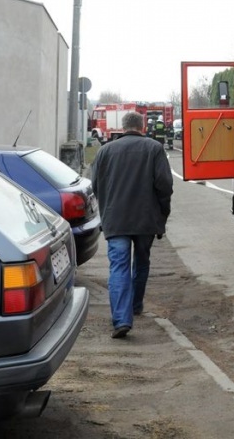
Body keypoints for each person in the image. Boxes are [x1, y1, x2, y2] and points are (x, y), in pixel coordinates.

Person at [91, 111, 173, 339]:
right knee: (142, 261)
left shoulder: (105, 151)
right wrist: (162, 214)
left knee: (119, 266)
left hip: (116, 220)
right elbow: (164, 185)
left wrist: (107, 208)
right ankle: (136, 305)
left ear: (123, 127)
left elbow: (94, 185)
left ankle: (121, 319)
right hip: (146, 219)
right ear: (142, 126)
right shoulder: (154, 149)